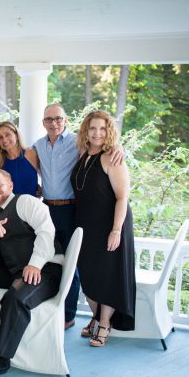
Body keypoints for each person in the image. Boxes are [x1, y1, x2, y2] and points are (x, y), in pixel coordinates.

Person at [0, 169, 62, 377]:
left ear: (10, 186)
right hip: (16, 271)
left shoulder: (25, 202)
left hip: (46, 269)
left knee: (15, 298)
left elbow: (46, 231)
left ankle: (0, 361)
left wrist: (35, 264)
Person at [32, 103, 123, 329]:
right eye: (49, 119)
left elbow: (103, 147)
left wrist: (121, 148)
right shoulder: (37, 146)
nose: (54, 123)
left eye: (58, 119)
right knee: (48, 260)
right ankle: (49, 310)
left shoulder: (77, 142)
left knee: (73, 264)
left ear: (65, 121)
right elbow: (14, 156)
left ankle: (68, 316)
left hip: (72, 210)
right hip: (47, 209)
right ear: (43, 123)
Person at [70, 110, 136, 347]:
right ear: (85, 131)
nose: (97, 133)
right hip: (85, 225)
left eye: (102, 128)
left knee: (107, 275)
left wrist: (116, 230)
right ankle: (96, 316)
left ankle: (105, 324)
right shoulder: (82, 153)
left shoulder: (113, 158)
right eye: (92, 128)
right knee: (87, 274)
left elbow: (122, 198)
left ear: (109, 131)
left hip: (110, 225)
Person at [0, 121, 38, 197]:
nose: (4, 140)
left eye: (7, 135)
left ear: (16, 136)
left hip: (31, 206)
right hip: (8, 206)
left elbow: (47, 174)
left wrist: (40, 188)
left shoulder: (31, 153)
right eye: (0, 137)